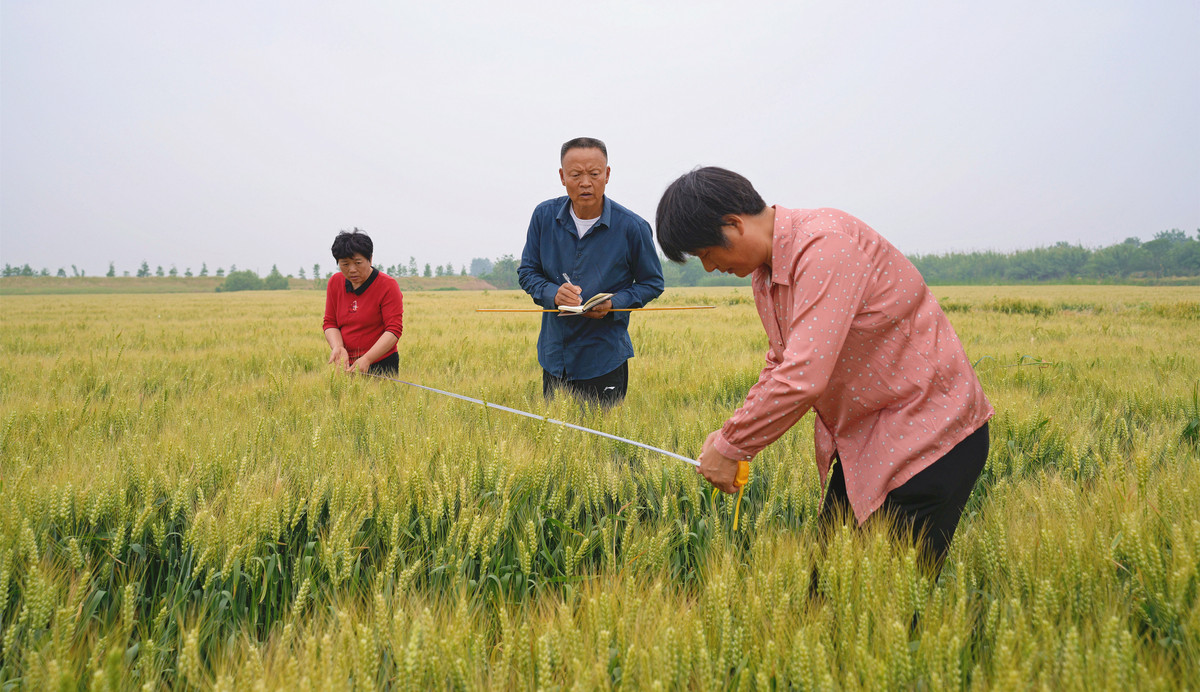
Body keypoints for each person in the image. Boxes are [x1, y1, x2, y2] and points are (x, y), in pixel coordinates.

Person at [655, 167, 993, 575]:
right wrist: (731, 435)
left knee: (881, 609)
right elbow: (780, 362)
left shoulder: (825, 247)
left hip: (929, 437)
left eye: (707, 253)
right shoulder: (767, 275)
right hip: (867, 443)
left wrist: (732, 446)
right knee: (830, 592)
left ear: (734, 224)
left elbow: (803, 375)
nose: (709, 268)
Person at [518, 137, 665, 406]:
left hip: (604, 359)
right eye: (575, 175)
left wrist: (614, 303)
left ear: (607, 175)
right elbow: (528, 271)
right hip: (554, 356)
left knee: (602, 443)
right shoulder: (543, 217)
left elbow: (652, 283)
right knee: (556, 441)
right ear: (562, 177)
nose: (585, 182)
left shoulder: (632, 227)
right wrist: (553, 293)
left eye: (594, 174)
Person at [323, 229, 404, 375]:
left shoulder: (387, 285)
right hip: (345, 363)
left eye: (358, 263)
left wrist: (367, 358)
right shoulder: (335, 282)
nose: (352, 270)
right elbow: (330, 322)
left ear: (370, 259)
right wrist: (338, 347)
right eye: (345, 264)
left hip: (381, 364)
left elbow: (393, 330)